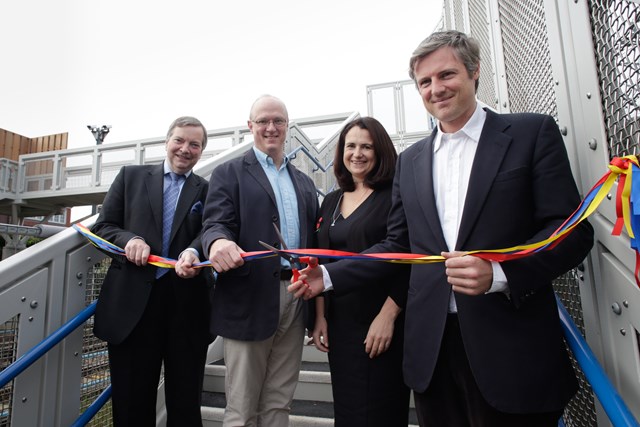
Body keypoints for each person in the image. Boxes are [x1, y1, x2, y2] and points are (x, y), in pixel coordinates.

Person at [290, 30, 594, 427]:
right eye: (425, 82)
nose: (436, 89)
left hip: (511, 349)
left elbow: (571, 231)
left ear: (474, 72)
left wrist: (501, 272)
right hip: (432, 354)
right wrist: (327, 277)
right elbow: (398, 246)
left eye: (446, 75)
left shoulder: (530, 133)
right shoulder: (412, 161)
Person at [201, 94, 319, 426]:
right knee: (241, 406)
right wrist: (218, 242)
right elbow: (214, 223)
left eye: (278, 121)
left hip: (297, 297)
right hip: (248, 297)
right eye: (263, 121)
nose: (271, 128)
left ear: (287, 127)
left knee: (280, 402)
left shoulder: (305, 183)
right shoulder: (229, 173)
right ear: (250, 126)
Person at [92, 116, 213, 426]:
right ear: (167, 141)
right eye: (180, 141)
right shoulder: (130, 177)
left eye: (194, 144)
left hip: (186, 306)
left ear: (201, 151)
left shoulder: (207, 190)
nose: (185, 149)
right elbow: (103, 227)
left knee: (185, 404)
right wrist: (128, 239)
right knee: (132, 403)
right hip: (132, 308)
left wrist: (195, 250)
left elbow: (212, 230)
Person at [310, 116, 410, 426]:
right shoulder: (331, 200)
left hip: (380, 322)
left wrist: (388, 316)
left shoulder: (396, 194)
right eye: (351, 146)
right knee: (349, 412)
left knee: (379, 412)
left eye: (367, 146)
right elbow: (321, 262)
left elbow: (406, 256)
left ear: (380, 151)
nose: (358, 153)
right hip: (341, 324)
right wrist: (320, 316)